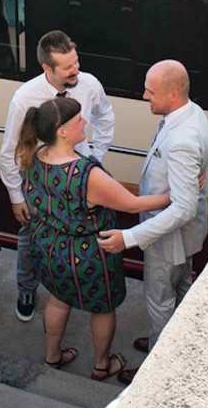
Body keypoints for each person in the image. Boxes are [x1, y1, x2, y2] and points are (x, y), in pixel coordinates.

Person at [16, 96, 171, 380]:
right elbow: (133, 205)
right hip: (89, 254)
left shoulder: (35, 155)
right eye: (78, 120)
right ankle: (102, 364)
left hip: (48, 247)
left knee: (58, 300)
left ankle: (53, 357)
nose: (84, 121)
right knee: (102, 308)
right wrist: (179, 195)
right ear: (62, 131)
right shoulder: (86, 174)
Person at [98, 60, 208, 385]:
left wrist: (130, 237)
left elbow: (183, 208)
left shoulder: (181, 140)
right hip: (186, 237)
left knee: (160, 300)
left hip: (167, 239)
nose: (145, 95)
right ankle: (168, 340)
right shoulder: (193, 113)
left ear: (173, 94)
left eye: (151, 91)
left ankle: (155, 372)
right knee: (179, 288)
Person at [0, 30, 115, 322]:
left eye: (76, 62)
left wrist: (96, 156)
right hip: (42, 181)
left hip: (81, 177)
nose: (76, 69)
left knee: (84, 235)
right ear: (47, 69)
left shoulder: (89, 85)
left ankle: (75, 288)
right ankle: (26, 288)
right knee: (30, 237)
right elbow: (9, 151)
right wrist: (16, 197)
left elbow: (106, 116)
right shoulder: (25, 98)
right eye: (68, 67)